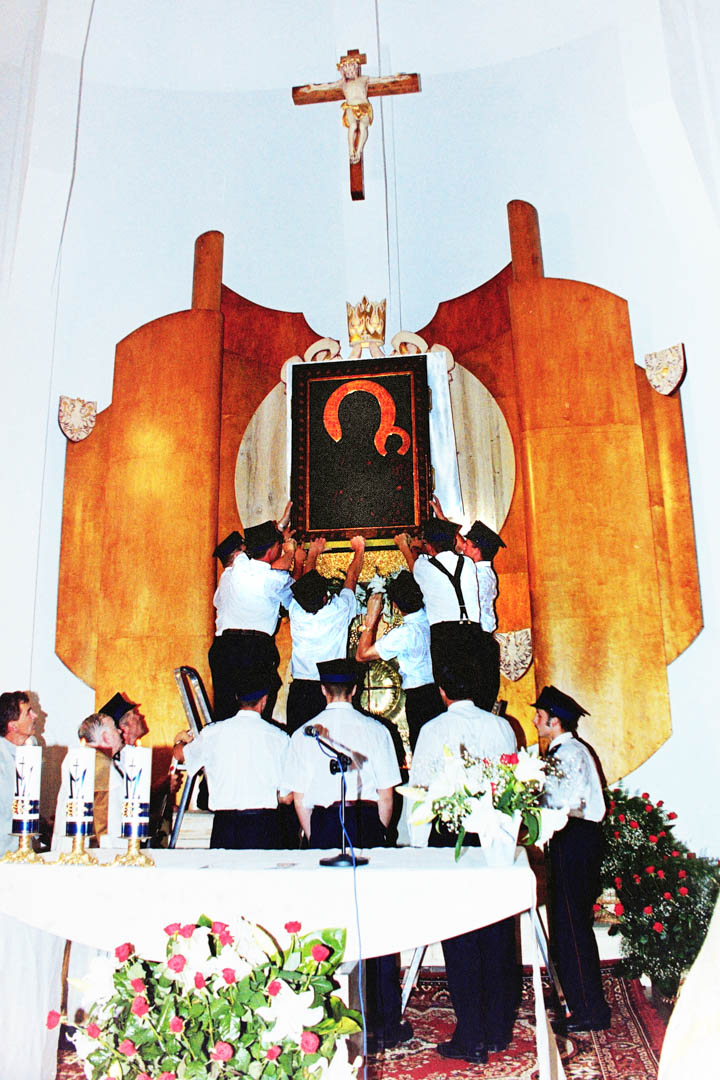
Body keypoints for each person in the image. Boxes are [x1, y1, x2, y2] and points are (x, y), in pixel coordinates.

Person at [282, 658, 410, 1050]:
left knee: (326, 917)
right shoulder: (378, 730)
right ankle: (383, 1021)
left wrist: (316, 834)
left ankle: (326, 1018)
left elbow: (299, 797)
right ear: (354, 690)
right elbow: (386, 793)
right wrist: (379, 831)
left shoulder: (303, 734)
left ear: (323, 690)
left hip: (324, 823)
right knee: (374, 919)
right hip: (366, 821)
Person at [409, 659, 519, 1063]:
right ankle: (498, 1029)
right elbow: (511, 783)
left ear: (442, 691)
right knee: (496, 931)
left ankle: (471, 1033)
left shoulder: (433, 730)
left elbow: (421, 790)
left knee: (459, 935)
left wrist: (419, 846)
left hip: (449, 834)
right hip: (491, 835)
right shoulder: (501, 727)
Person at [532, 684, 611, 1034]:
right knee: (566, 926)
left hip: (574, 839)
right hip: (571, 839)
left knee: (572, 927)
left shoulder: (568, 755)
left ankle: (590, 1010)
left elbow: (565, 804)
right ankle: (579, 1004)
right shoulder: (566, 752)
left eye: (540, 716)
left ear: (556, 722)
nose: (535, 721)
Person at [173, 676, 293, 849]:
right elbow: (287, 797)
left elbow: (180, 754)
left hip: (225, 827)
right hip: (263, 828)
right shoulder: (280, 738)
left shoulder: (212, 733)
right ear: (264, 700)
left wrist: (180, 741)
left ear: (237, 698)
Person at [208, 518, 296, 721]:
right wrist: (291, 553)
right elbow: (294, 592)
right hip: (254, 650)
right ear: (273, 551)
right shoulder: (273, 580)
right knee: (256, 715)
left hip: (224, 647)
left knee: (225, 715)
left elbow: (256, 554)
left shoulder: (238, 565)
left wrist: (279, 532)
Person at [395, 516, 489, 706]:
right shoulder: (467, 564)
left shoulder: (424, 566)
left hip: (446, 637)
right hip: (474, 633)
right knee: (473, 694)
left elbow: (415, 566)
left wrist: (405, 546)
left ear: (429, 546)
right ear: (453, 541)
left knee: (449, 694)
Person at [355, 570, 444, 751]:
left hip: (419, 698)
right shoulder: (432, 616)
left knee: (423, 750)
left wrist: (371, 620)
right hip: (440, 692)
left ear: (394, 605)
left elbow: (361, 655)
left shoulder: (404, 634)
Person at [286, 535, 365, 734]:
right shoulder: (337, 610)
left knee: (300, 742)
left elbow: (305, 586)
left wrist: (312, 554)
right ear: (324, 598)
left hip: (300, 691)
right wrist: (359, 549)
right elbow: (351, 579)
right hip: (331, 689)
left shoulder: (296, 611)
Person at [52, 712, 126, 848]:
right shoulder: (99, 764)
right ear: (106, 737)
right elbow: (101, 815)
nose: (120, 731)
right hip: (94, 849)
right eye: (115, 728)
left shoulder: (78, 759)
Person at [461, 519, 505, 710]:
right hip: (480, 640)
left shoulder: (480, 576)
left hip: (480, 642)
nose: (463, 548)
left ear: (477, 550)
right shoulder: (481, 571)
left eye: (468, 545)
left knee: (477, 698)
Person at [0, 691, 38, 855]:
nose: (35, 716)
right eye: (28, 712)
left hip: (24, 850)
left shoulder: (31, 747)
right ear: (13, 726)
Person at [337, 52, 372, 164]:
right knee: (352, 126)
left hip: (363, 106)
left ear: (356, 68)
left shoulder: (364, 79)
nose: (350, 73)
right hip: (350, 107)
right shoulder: (343, 83)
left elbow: (383, 81)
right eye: (347, 71)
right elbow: (324, 87)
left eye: (352, 70)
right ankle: (351, 150)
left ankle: (359, 151)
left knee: (362, 126)